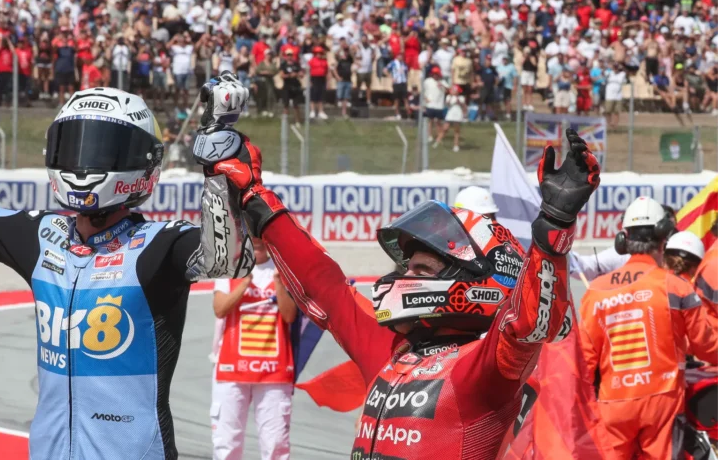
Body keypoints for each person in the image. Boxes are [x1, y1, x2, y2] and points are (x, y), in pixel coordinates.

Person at [0, 44, 254, 460]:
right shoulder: (40, 234)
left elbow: (228, 259)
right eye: (74, 145)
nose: (83, 162)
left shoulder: (159, 245)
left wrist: (219, 161)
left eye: (102, 149)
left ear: (142, 161)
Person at [207, 81, 600, 457]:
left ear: (475, 280)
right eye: (406, 266)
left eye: (422, 268)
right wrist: (255, 196)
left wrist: (553, 228)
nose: (403, 277)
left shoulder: (484, 370)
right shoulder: (391, 348)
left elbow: (527, 324)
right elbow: (322, 284)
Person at [580, 197, 718, 460]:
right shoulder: (676, 288)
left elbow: (585, 362)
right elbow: (707, 347)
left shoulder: (595, 291)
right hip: (662, 403)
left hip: (613, 404)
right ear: (663, 238)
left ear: (624, 238)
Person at [211, 238, 298, 460]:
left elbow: (290, 316)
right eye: (253, 237)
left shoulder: (284, 271)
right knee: (227, 443)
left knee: (276, 445)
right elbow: (220, 309)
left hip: (274, 370)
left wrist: (279, 282)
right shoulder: (229, 269)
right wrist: (244, 282)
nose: (257, 243)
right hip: (231, 369)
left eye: (261, 238)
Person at [434, 84, 464, 151]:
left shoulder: (461, 97)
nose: (452, 91)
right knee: (445, 128)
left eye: (454, 90)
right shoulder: (448, 97)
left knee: (456, 130)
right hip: (450, 114)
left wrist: (458, 100)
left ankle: (456, 145)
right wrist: (450, 98)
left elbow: (462, 105)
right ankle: (437, 141)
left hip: (458, 114)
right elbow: (447, 104)